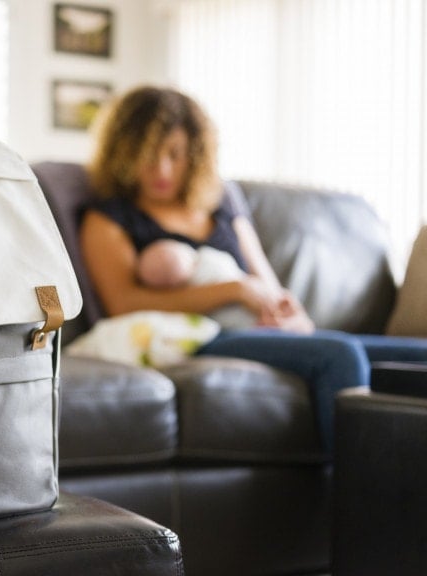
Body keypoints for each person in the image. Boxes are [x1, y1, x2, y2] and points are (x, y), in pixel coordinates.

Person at [80, 85, 427, 452]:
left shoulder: (222, 207)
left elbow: (267, 284)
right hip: (202, 337)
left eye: (175, 154)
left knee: (417, 354)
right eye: (148, 155)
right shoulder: (109, 217)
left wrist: (290, 315)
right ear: (124, 153)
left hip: (259, 328)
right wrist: (234, 290)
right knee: (338, 356)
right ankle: (362, 499)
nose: (162, 169)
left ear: (195, 155)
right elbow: (123, 302)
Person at [137, 239, 256, 329]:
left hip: (259, 299)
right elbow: (129, 303)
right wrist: (235, 289)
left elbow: (265, 281)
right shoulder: (126, 218)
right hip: (230, 325)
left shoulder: (228, 209)